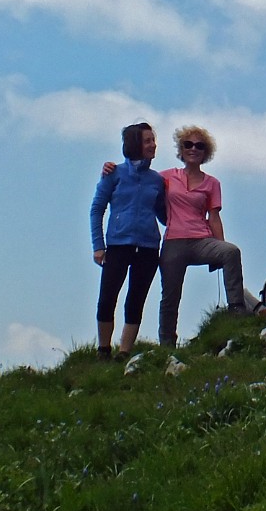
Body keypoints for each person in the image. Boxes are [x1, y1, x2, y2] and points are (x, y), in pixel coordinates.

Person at [156, 125, 247, 346]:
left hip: (201, 239)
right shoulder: (166, 177)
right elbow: (141, 183)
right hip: (174, 241)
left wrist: (219, 246)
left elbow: (214, 216)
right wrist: (112, 170)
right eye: (188, 144)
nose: (193, 149)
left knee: (231, 252)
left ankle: (237, 310)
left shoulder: (212, 183)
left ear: (206, 152)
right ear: (181, 149)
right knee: (170, 296)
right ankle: (166, 343)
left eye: (199, 145)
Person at [90, 122, 166, 360]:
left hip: (148, 247)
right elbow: (97, 209)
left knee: (135, 300)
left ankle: (125, 352)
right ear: (135, 144)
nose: (153, 145)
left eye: (153, 140)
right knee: (107, 297)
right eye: (147, 141)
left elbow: (164, 215)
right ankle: (104, 349)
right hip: (118, 244)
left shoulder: (157, 180)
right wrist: (98, 246)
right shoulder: (113, 173)